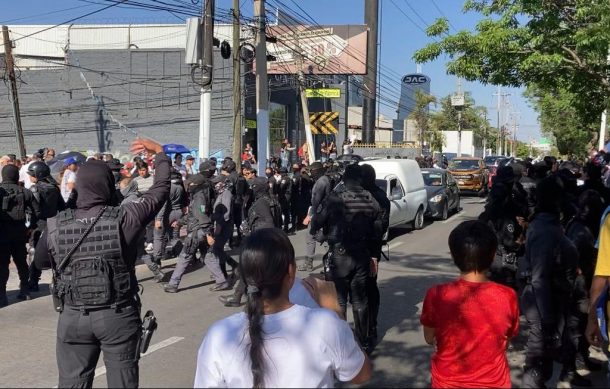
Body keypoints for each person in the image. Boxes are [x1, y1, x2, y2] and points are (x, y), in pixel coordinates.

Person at [34, 138, 170, 388]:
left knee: (72, 383)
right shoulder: (127, 217)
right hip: (117, 314)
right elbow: (160, 189)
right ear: (109, 186)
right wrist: (160, 153)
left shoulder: (56, 224)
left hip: (73, 316)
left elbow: (41, 261)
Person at [194, 228, 372, 388]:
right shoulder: (325, 324)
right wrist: (334, 308)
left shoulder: (219, 335)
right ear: (291, 271)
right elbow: (361, 374)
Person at [421, 220, 519, 388]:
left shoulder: (436, 295)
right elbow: (506, 340)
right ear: (493, 254)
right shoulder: (507, 296)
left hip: (447, 382)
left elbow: (429, 338)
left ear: (453, 255)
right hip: (494, 382)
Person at [311, 164, 383, 352]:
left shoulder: (335, 198)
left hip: (340, 255)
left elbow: (317, 221)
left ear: (345, 179)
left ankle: (340, 342)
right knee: (360, 300)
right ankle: (363, 342)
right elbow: (379, 227)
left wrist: (321, 232)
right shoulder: (370, 199)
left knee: (339, 300)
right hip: (361, 254)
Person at [518, 176, 579, 388]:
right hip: (542, 302)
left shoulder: (548, 222)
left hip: (550, 298)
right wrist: (548, 319)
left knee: (544, 360)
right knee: (538, 357)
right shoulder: (545, 229)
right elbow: (539, 278)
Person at [218, 177, 280, 307]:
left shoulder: (261, 203)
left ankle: (244, 299)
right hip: (267, 242)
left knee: (249, 270)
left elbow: (268, 224)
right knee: (250, 271)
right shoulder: (270, 200)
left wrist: (253, 234)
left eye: (254, 187)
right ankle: (241, 297)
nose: (252, 189)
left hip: (261, 243)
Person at [164, 161, 216, 293]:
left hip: (197, 232)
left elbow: (201, 215)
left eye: (191, 183)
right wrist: (180, 222)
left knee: (184, 258)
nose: (188, 185)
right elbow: (193, 215)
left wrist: (209, 234)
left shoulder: (199, 197)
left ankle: (173, 284)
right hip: (199, 230)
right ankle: (222, 279)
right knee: (209, 256)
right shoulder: (200, 196)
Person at [0, 165, 40, 306]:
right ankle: (25, 291)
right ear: (17, 175)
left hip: (2, 234)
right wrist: (29, 228)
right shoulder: (25, 192)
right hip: (19, 233)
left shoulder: (1, 191)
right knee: (21, 263)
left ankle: (2, 295)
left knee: (2, 264)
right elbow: (36, 212)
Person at [26, 161, 66, 292]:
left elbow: (33, 210)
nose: (29, 176)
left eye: (31, 174)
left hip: (39, 225)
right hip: (54, 223)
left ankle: (33, 281)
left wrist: (29, 226)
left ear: (38, 175)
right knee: (55, 253)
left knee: (35, 253)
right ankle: (60, 280)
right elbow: (62, 207)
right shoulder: (54, 188)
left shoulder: (35, 189)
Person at [361, 164, 390, 342]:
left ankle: (370, 326)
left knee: (369, 288)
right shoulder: (377, 196)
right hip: (367, 250)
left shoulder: (378, 197)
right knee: (366, 288)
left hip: (369, 250)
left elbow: (381, 226)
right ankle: (367, 326)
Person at [301, 162, 332, 271]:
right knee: (312, 237)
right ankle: (310, 263)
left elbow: (316, 201)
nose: (310, 172)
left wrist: (309, 216)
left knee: (320, 237)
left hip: (320, 214)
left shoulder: (321, 182)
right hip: (321, 212)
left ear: (317, 170)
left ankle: (330, 264)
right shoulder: (321, 180)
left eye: (312, 170)